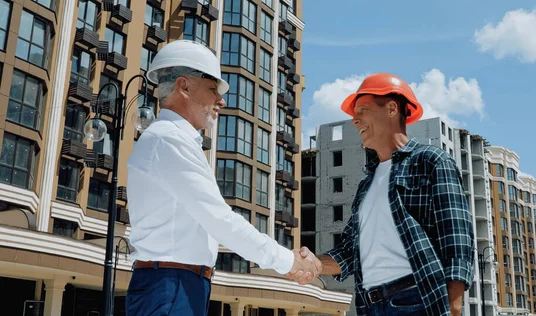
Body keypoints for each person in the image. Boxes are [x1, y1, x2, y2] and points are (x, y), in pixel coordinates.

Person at [125, 40, 321, 316]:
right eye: (213, 88)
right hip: (171, 286)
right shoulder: (169, 140)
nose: (221, 100)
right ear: (184, 86)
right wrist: (288, 261)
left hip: (176, 285)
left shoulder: (172, 140)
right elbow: (220, 220)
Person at [290, 73, 475, 316]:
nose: (355, 121)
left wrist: (454, 305)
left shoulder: (431, 161)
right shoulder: (366, 185)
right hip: (370, 305)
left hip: (417, 299)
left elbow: (457, 238)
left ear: (390, 108)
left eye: (362, 110)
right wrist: (312, 262)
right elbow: (349, 254)